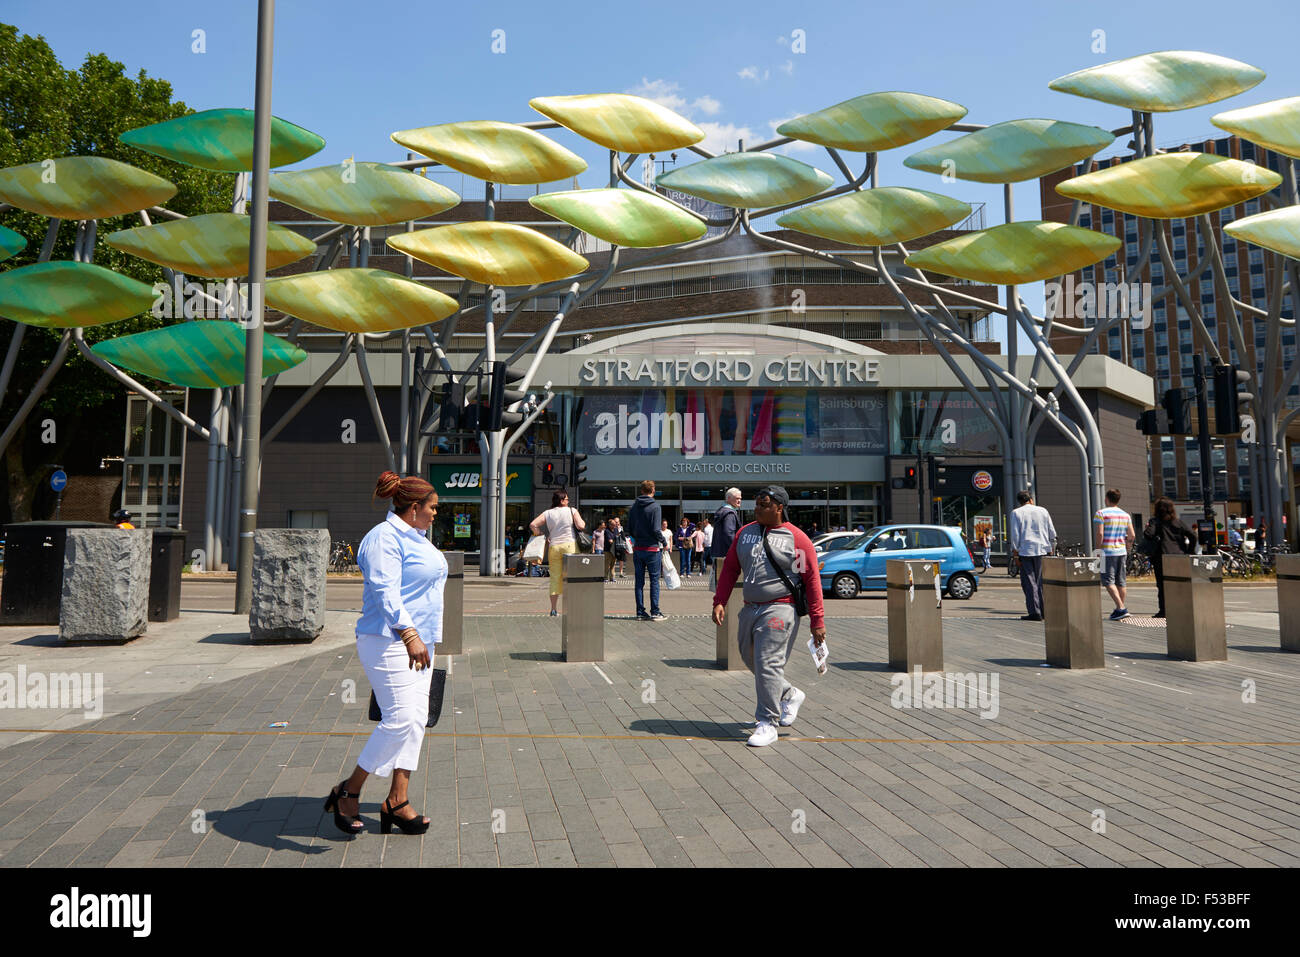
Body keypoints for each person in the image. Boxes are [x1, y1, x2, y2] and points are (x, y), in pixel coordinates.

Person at [325, 471, 447, 837]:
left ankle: (397, 801)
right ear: (414, 508)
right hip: (389, 640)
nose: (436, 513)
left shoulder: (417, 538)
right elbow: (385, 591)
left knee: (416, 720)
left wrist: (422, 637)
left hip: (422, 643)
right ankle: (349, 789)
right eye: (433, 508)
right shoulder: (384, 538)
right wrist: (409, 634)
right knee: (399, 718)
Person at [712, 486, 826, 748]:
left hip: (780, 608)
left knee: (767, 662)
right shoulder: (745, 532)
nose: (758, 509)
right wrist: (720, 601)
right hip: (750, 607)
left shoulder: (796, 539)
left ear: (779, 508)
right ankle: (789, 693)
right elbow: (730, 568)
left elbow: (811, 580)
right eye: (757, 504)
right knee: (748, 656)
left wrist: (817, 622)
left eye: (765, 505)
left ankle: (767, 722)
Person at [529, 489, 586, 617]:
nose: (568, 501)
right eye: (566, 499)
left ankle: (554, 609)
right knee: (572, 578)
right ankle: (571, 609)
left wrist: (541, 533)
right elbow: (581, 526)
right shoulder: (572, 510)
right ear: (561, 500)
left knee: (555, 578)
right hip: (569, 546)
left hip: (554, 547)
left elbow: (533, 524)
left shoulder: (548, 513)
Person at [1143, 497, 1194, 618]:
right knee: (1179, 583)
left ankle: (1164, 610)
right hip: (1179, 556)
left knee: (1162, 584)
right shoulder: (1178, 522)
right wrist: (1188, 551)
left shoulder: (1155, 521)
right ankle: (1181, 607)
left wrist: (1148, 526)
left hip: (1161, 557)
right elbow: (1192, 535)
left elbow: (1148, 535)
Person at [1009, 490, 1056, 622]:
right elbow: (1051, 531)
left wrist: (1015, 553)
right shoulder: (1043, 511)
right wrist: (1051, 547)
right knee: (1041, 581)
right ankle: (1044, 610)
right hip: (1042, 549)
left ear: (1020, 501)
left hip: (1025, 551)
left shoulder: (1016, 513)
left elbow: (1015, 534)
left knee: (1029, 582)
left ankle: (1034, 612)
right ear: (1031, 499)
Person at [1093, 488, 1135, 620]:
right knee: (1121, 581)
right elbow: (1132, 535)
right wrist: (1128, 546)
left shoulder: (1101, 513)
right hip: (1121, 551)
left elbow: (1100, 533)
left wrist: (1098, 550)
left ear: (1107, 498)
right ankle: (1119, 609)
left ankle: (1121, 608)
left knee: (1107, 580)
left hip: (1107, 551)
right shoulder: (1125, 515)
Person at [627, 480, 665, 621]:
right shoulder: (655, 507)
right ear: (653, 490)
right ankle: (655, 611)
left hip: (638, 548)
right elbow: (656, 529)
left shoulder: (634, 507)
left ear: (641, 490)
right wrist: (664, 541)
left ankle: (640, 612)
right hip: (652, 549)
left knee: (639, 582)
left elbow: (629, 529)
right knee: (654, 580)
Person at [711, 488, 743, 564]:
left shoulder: (721, 511)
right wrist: (738, 549)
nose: (739, 501)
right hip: (726, 555)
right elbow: (729, 534)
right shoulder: (729, 514)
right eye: (737, 498)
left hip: (718, 553)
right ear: (728, 498)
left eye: (740, 498)